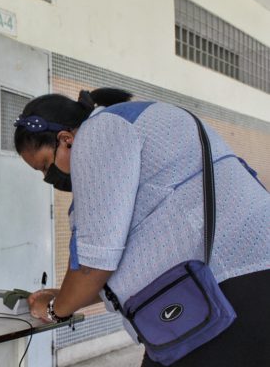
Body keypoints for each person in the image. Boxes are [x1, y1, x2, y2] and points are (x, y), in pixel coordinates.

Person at [14, 88, 269, 366]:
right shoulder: (137, 122)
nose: (47, 178)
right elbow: (126, 255)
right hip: (242, 285)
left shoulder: (98, 133)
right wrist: (66, 296)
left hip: (223, 294)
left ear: (66, 140)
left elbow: (95, 263)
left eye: (44, 166)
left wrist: (53, 309)